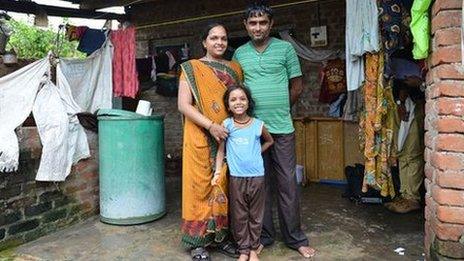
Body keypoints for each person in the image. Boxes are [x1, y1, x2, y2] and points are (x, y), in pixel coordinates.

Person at [233, 3, 316, 258]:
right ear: (245, 26)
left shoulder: (285, 49)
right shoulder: (239, 54)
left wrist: (279, 108)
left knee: (287, 184)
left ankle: (295, 238)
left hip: (281, 130)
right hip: (252, 133)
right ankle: (264, 237)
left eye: (263, 22)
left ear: (270, 24)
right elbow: (237, 92)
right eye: (253, 23)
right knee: (260, 186)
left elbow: (297, 86)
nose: (258, 27)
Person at [177, 23, 243, 261]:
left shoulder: (235, 69)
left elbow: (238, 100)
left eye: (223, 38)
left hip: (227, 137)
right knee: (200, 187)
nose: (219, 43)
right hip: (200, 135)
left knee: (224, 186)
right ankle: (199, 242)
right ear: (204, 42)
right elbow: (183, 105)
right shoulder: (191, 68)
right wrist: (210, 125)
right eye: (213, 38)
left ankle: (223, 238)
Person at [213, 85, 274, 261]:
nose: (238, 102)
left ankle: (254, 249)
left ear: (248, 102)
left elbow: (270, 141)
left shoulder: (257, 124)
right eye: (233, 100)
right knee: (239, 215)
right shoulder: (227, 125)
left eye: (242, 99)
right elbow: (221, 151)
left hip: (257, 176)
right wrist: (218, 172)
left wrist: (256, 153)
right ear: (228, 104)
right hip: (236, 178)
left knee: (256, 214)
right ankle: (244, 250)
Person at [385, 76, 425, 213]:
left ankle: (412, 198)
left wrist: (418, 85)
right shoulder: (397, 69)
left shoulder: (411, 70)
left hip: (415, 106)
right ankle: (405, 195)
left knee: (413, 156)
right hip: (405, 105)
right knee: (403, 156)